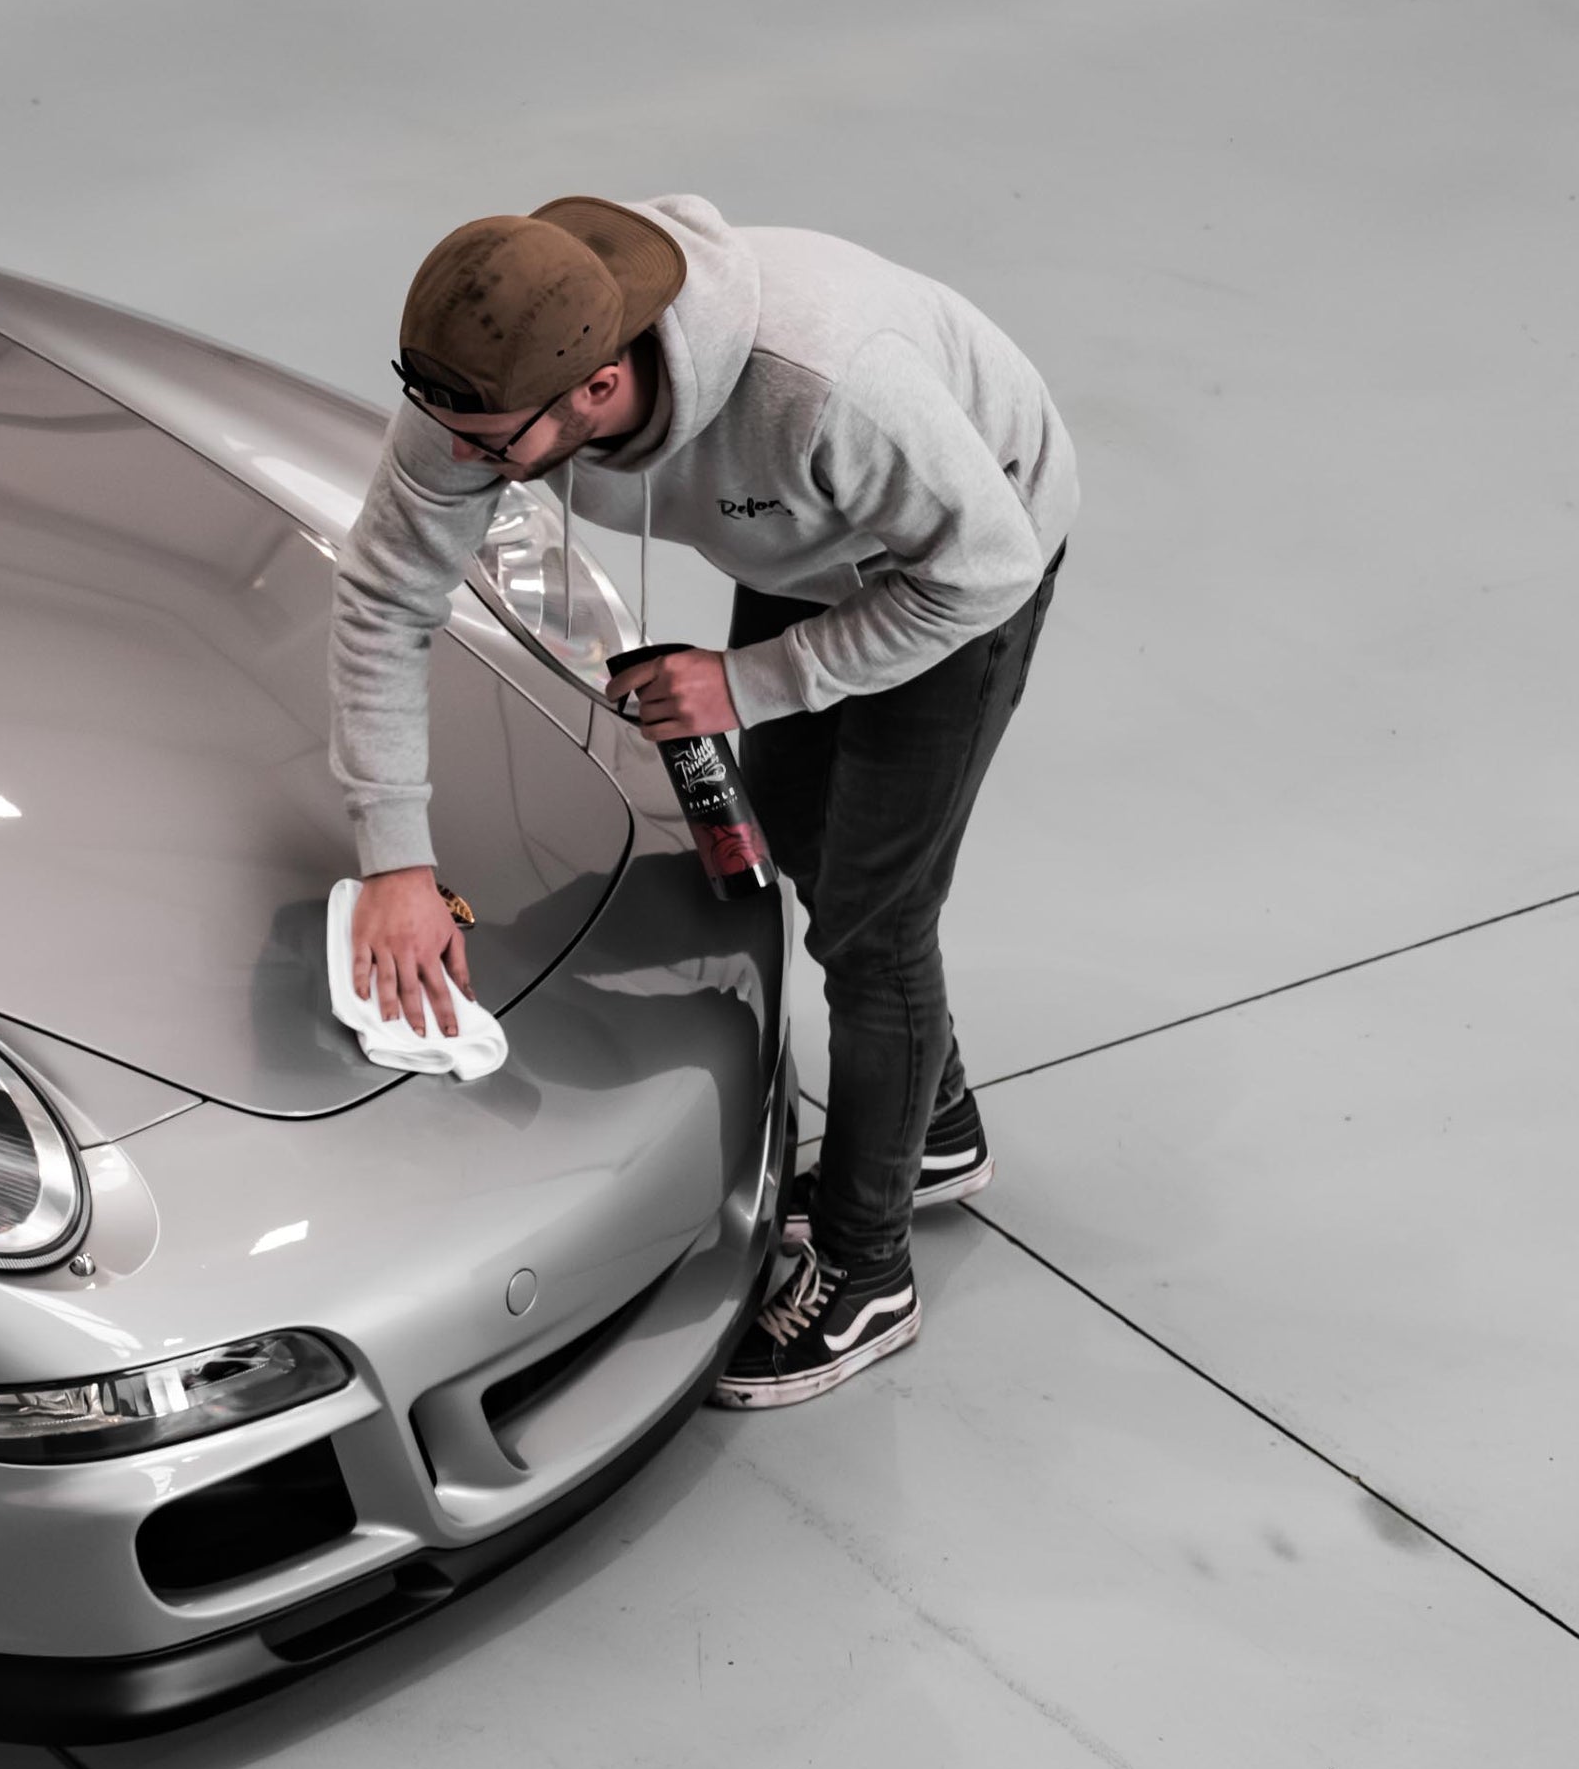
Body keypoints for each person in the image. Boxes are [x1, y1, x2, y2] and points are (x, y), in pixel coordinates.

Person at [334, 195, 1074, 1409]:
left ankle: (869, 1270)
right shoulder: (480, 391)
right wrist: (396, 859)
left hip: (960, 551)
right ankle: (931, 1125)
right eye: (449, 435)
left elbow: (983, 565)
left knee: (874, 922)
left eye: (489, 448)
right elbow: (383, 598)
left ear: (598, 386)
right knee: (792, 831)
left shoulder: (824, 387)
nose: (460, 465)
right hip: (805, 537)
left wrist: (750, 681)